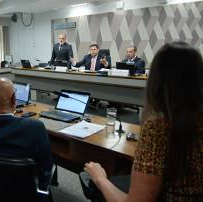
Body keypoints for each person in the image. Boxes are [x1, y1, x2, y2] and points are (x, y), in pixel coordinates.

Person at [84, 42, 203, 201]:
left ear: (156, 79)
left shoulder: (159, 128)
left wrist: (100, 178)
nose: (128, 53)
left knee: (92, 179)